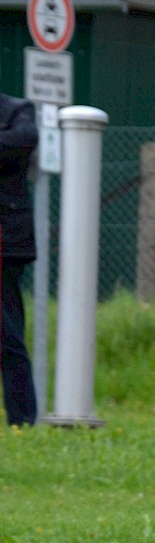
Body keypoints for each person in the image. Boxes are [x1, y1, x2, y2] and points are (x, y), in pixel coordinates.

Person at [0, 93, 39, 428]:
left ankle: (23, 420)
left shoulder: (18, 110)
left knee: (7, 335)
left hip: (6, 244)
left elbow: (22, 141)